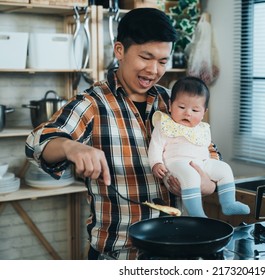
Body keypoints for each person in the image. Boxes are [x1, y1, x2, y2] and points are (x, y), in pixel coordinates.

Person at [25, 8, 220, 260]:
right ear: (120, 51)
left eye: (162, 61)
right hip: (118, 255)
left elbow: (209, 151)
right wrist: (71, 147)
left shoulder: (172, 102)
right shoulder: (92, 104)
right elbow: (36, 143)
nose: (153, 70)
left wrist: (208, 183)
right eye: (145, 57)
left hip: (174, 249)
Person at [148, 76, 250, 217]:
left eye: (195, 110)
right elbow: (155, 146)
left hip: (202, 163)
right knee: (191, 176)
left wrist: (210, 170)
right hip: (176, 164)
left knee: (225, 169)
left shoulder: (202, 128)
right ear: (170, 105)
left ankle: (228, 204)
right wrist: (156, 163)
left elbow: (209, 150)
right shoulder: (165, 125)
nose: (187, 113)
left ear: (203, 113)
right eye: (181, 107)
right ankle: (197, 214)